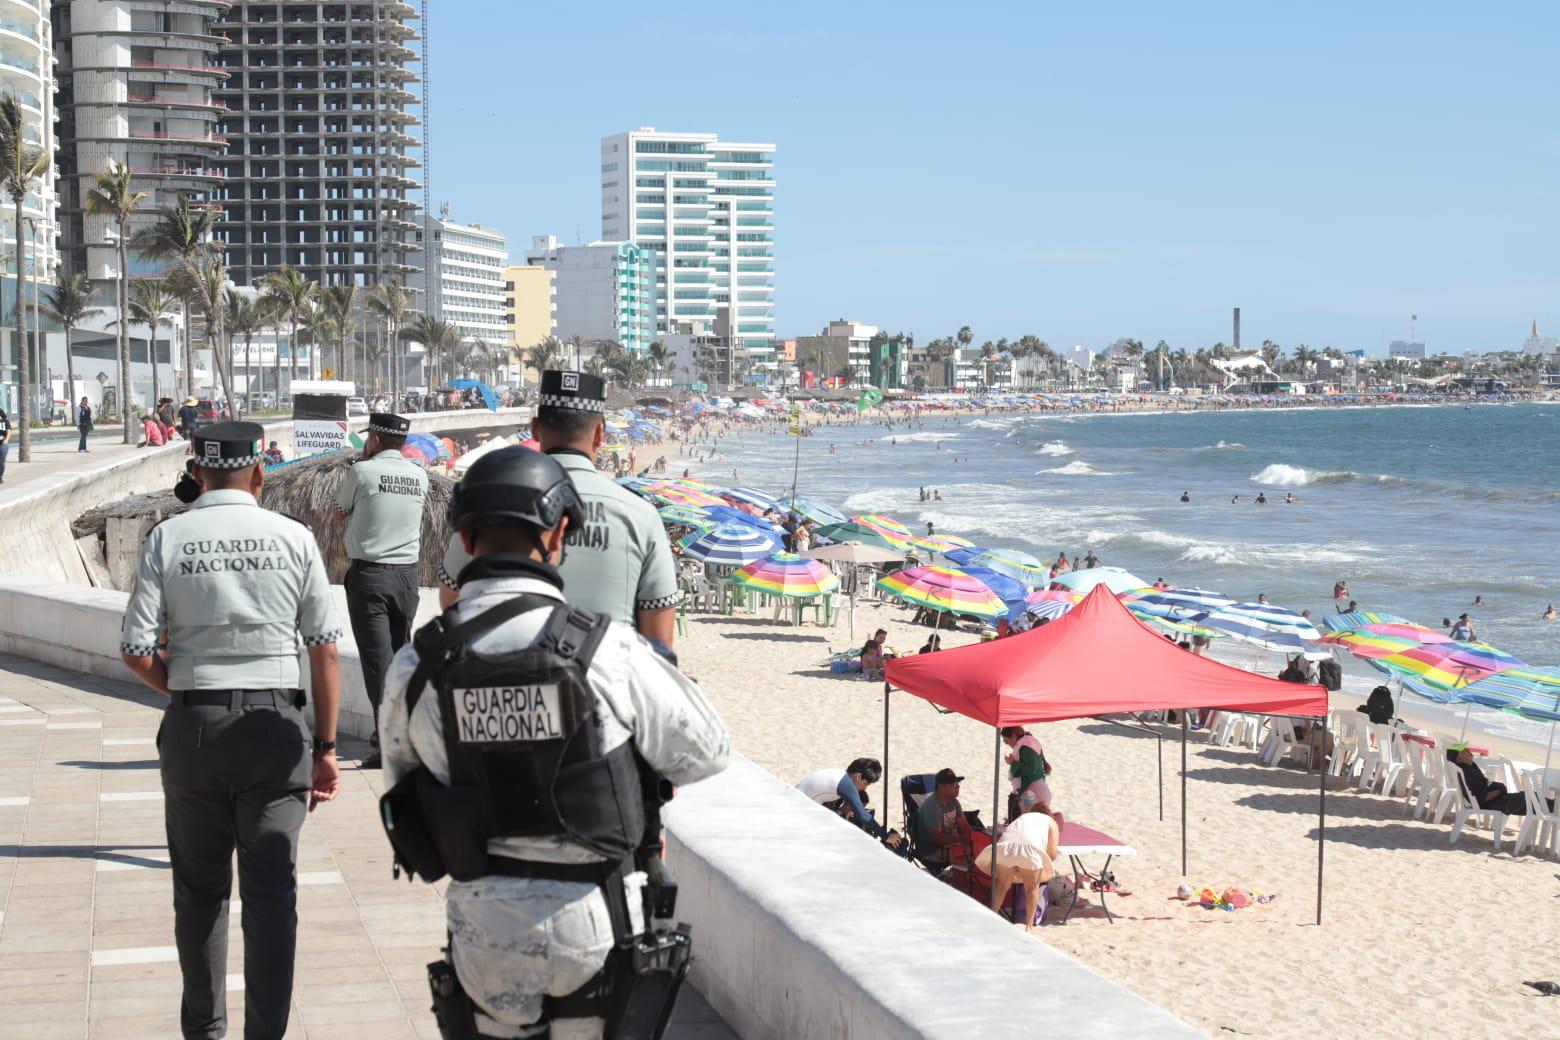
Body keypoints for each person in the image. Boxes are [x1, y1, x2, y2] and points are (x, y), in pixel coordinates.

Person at [378, 446, 729, 1040]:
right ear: (560, 531)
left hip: (482, 932)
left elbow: (404, 790)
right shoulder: (608, 650)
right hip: (592, 924)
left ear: (464, 536)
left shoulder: (419, 662)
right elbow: (705, 752)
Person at [118, 421, 343, 1040]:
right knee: (272, 897)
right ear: (259, 471)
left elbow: (137, 649)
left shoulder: (168, 537)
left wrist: (191, 692)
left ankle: (204, 1031)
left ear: (196, 473)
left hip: (194, 730)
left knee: (199, 893)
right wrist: (325, 749)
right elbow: (324, 650)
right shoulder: (294, 538)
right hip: (277, 730)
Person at [439, 371, 679, 651]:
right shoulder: (641, 515)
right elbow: (660, 641)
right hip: (608, 682)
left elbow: (451, 599)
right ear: (600, 433)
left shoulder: (491, 501)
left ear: (536, 428)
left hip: (507, 678)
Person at [334, 412, 428, 770]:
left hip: (370, 577)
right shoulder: (419, 476)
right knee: (401, 658)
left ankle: (388, 742)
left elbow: (338, 514)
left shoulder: (362, 472)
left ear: (373, 440)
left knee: (377, 663)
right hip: (407, 578)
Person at [988, 792, 1060, 933]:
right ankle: (1029, 926)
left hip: (1005, 847)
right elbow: (1052, 854)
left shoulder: (1022, 817)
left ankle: (991, 918)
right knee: (1032, 888)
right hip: (1030, 849)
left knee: (1001, 886)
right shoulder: (1051, 822)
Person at [796, 758, 903, 846]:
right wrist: (886, 836)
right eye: (865, 784)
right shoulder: (847, 785)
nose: (865, 788)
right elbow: (864, 816)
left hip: (799, 799)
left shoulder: (840, 775)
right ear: (858, 776)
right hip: (799, 809)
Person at [1446, 747, 1533, 816]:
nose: (1468, 750)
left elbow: (1485, 783)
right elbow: (1482, 798)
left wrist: (1497, 786)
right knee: (1529, 799)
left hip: (1495, 800)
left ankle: (1545, 806)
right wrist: (1500, 790)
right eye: (1463, 750)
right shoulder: (1469, 772)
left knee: (1530, 802)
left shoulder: (1469, 768)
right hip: (1491, 803)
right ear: (1459, 759)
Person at [915, 768, 974, 871]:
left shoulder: (954, 802)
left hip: (952, 845)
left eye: (958, 783)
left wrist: (970, 839)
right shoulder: (932, 806)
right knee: (973, 861)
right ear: (940, 786)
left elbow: (965, 828)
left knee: (980, 849)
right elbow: (938, 839)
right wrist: (962, 840)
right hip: (933, 852)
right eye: (953, 784)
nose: (958, 786)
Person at [1000, 725, 1053, 817]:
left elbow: (1031, 768)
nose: (1007, 744)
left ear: (1013, 736)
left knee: (1029, 823)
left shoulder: (1025, 745)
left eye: (1006, 741)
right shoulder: (1028, 742)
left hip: (1033, 793)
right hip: (1038, 791)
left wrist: (1012, 763)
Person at [0, 406, 8, 482]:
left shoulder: (5, 421)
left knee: (2, 462)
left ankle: (0, 476)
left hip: (2, 444)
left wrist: (6, 439)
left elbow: (9, 431)